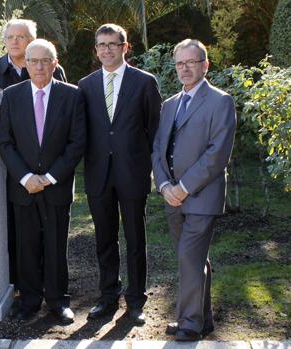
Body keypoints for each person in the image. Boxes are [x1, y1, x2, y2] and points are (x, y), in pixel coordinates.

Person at [152, 39, 236, 341]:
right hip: (171, 197)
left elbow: (217, 154)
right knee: (192, 259)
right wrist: (164, 185)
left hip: (201, 196)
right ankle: (204, 318)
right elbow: (159, 147)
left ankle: (188, 323)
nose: (185, 68)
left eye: (192, 62)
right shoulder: (170, 104)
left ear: (205, 64)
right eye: (180, 63)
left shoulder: (220, 101)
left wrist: (184, 187)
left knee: (189, 257)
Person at [78, 23, 161, 324]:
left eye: (113, 44)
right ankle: (108, 296)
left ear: (125, 47)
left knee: (135, 239)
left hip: (133, 172)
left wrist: (154, 169)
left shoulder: (144, 82)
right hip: (98, 174)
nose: (107, 49)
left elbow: (155, 130)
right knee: (104, 239)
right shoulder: (85, 86)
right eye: (101, 44)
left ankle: (136, 301)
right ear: (96, 49)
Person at [0, 39, 85, 325]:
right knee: (26, 246)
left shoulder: (72, 96)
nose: (38, 66)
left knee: (56, 245)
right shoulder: (11, 96)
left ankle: (58, 302)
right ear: (26, 64)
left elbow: (76, 143)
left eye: (44, 61)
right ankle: (30, 302)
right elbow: (5, 142)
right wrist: (25, 177)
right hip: (23, 189)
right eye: (32, 60)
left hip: (55, 186)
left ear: (54, 64)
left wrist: (47, 178)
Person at [0, 18, 68, 290]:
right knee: (19, 234)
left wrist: (50, 175)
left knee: (52, 237)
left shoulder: (55, 73)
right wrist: (24, 174)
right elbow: (0, 132)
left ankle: (52, 289)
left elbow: (64, 120)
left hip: (53, 173)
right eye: (11, 37)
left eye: (22, 37)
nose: (16, 41)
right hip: (12, 168)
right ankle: (22, 287)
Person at [0, 18, 67, 89]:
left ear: (32, 40)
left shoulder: (50, 68)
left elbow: (63, 99)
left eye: (20, 37)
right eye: (10, 37)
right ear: (4, 41)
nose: (14, 42)